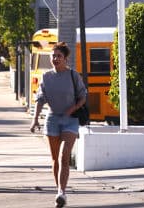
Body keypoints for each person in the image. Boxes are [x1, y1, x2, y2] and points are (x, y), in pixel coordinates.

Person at [30, 42, 87, 207]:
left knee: (64, 156)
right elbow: (40, 99)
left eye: (58, 56)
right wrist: (35, 119)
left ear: (65, 58)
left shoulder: (73, 75)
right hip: (52, 119)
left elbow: (83, 96)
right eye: (53, 56)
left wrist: (73, 108)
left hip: (70, 120)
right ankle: (60, 192)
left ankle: (62, 192)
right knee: (55, 159)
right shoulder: (46, 77)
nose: (55, 59)